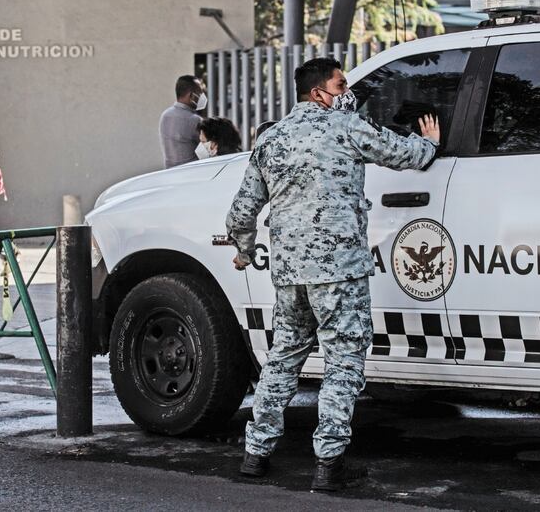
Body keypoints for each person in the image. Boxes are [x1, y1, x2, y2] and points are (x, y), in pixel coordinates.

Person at [225, 58, 440, 491]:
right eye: (341, 84)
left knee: (283, 359)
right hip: (340, 271)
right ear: (318, 93)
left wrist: (244, 252)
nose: (347, 91)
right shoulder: (344, 126)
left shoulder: (272, 139)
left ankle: (255, 455)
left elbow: (241, 212)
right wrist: (429, 142)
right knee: (343, 362)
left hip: (289, 274)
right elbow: (402, 153)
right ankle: (328, 464)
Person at [159, 75, 207, 168]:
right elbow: (209, 150)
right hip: (191, 173)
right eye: (200, 93)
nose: (203, 97)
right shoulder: (194, 120)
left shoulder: (165, 115)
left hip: (170, 172)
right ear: (191, 96)